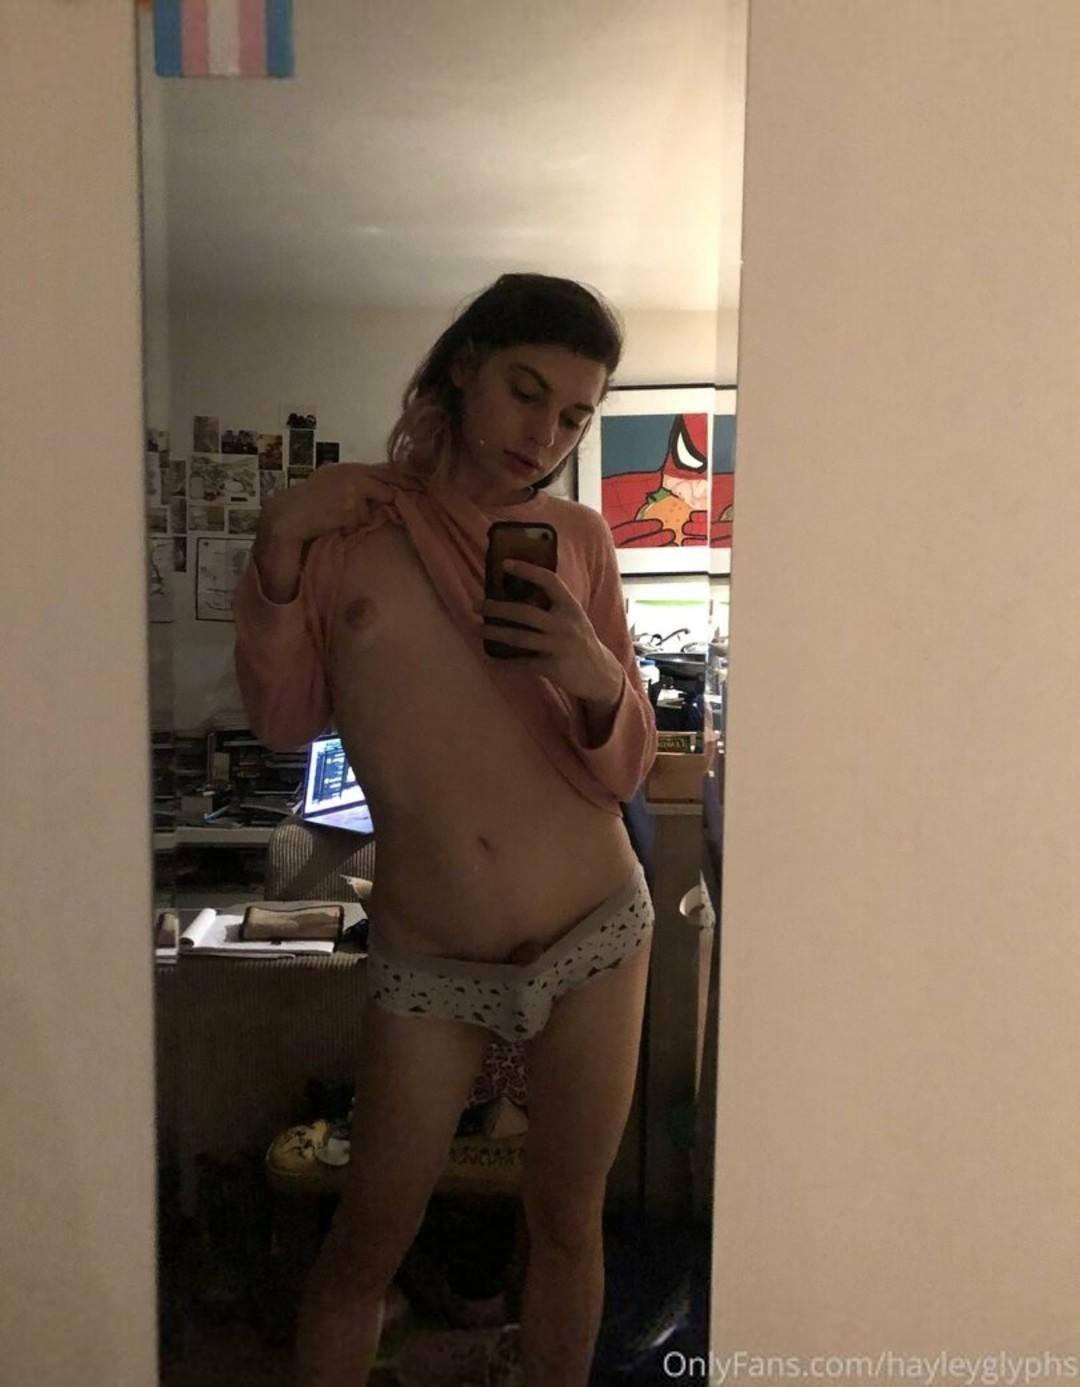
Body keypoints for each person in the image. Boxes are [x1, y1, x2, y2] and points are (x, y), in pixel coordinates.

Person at [233, 273, 658, 1386]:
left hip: (596, 927)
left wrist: (592, 671)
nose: (545, 435)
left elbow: (625, 767)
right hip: (429, 959)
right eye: (526, 391)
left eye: (574, 415)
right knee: (366, 1242)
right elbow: (282, 720)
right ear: (464, 366)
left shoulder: (578, 539)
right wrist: (279, 539)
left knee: (566, 1222)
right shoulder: (351, 531)